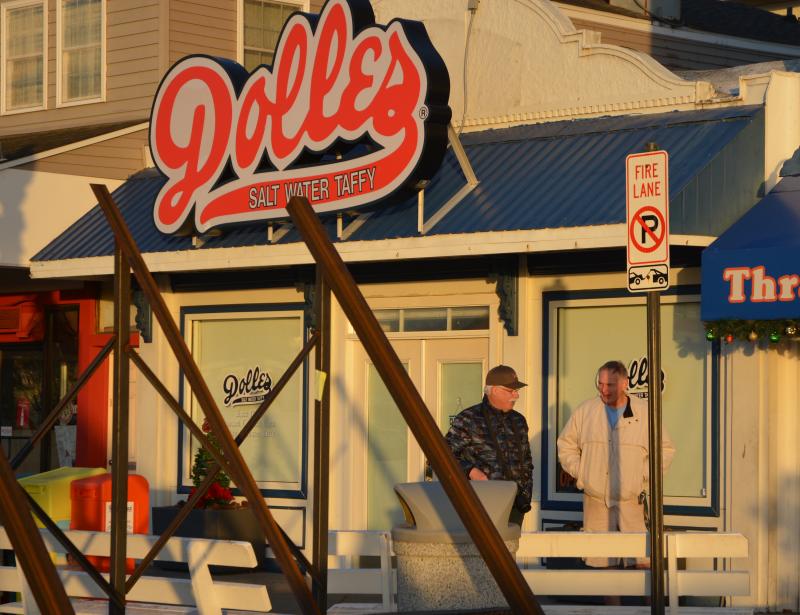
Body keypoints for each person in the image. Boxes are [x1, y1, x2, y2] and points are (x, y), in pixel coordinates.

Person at [557, 360, 675, 570]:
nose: (603, 389)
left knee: (642, 561)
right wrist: (582, 471)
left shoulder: (645, 412)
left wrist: (641, 476)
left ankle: (644, 605)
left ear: (624, 384)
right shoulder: (586, 410)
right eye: (600, 384)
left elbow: (664, 450)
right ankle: (613, 604)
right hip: (596, 500)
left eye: (610, 384)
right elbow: (566, 445)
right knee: (602, 563)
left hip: (631, 501)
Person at [445, 365, 533, 525]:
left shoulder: (519, 421)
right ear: (494, 390)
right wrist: (471, 471)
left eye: (516, 390)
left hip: (515, 505)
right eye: (511, 391)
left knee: (509, 549)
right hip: (481, 505)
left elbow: (526, 460)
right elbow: (441, 457)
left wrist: (526, 494)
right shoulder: (468, 419)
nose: (516, 395)